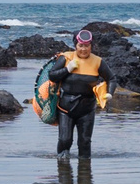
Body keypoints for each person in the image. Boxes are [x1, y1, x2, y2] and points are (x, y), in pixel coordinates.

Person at [42, 31, 111, 159]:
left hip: (87, 109)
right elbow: (52, 75)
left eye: (87, 46)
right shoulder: (66, 58)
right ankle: (63, 168)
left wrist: (109, 94)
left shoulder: (98, 61)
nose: (83, 49)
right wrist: (67, 69)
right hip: (65, 108)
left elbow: (111, 79)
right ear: (75, 46)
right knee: (65, 139)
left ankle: (85, 171)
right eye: (80, 46)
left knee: (84, 141)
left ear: (91, 46)